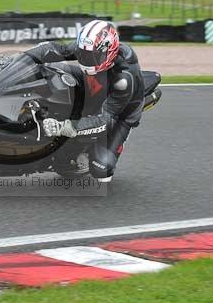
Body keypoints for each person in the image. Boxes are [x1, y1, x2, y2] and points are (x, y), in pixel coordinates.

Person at [24, 19, 145, 182]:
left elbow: (105, 120)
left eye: (92, 56)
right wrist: (23, 59)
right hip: (95, 81)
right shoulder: (89, 47)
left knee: (101, 171)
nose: (85, 59)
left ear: (108, 51)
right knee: (52, 70)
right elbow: (54, 49)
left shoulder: (124, 79)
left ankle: (100, 148)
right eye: (84, 54)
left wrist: (62, 127)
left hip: (119, 112)